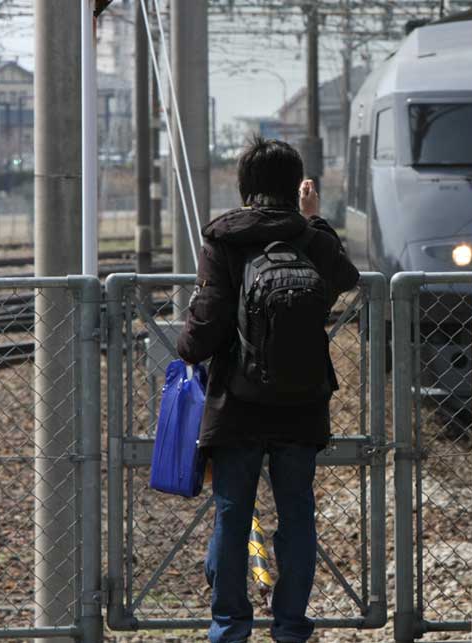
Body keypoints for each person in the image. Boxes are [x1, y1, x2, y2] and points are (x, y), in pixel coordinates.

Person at [177, 136, 359, 643]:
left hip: (236, 403)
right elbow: (347, 277)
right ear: (295, 185)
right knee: (297, 514)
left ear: (244, 186)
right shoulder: (311, 237)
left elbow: (207, 323)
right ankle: (291, 628)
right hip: (302, 403)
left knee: (231, 516)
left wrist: (185, 347)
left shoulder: (224, 239)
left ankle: (229, 628)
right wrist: (315, 219)